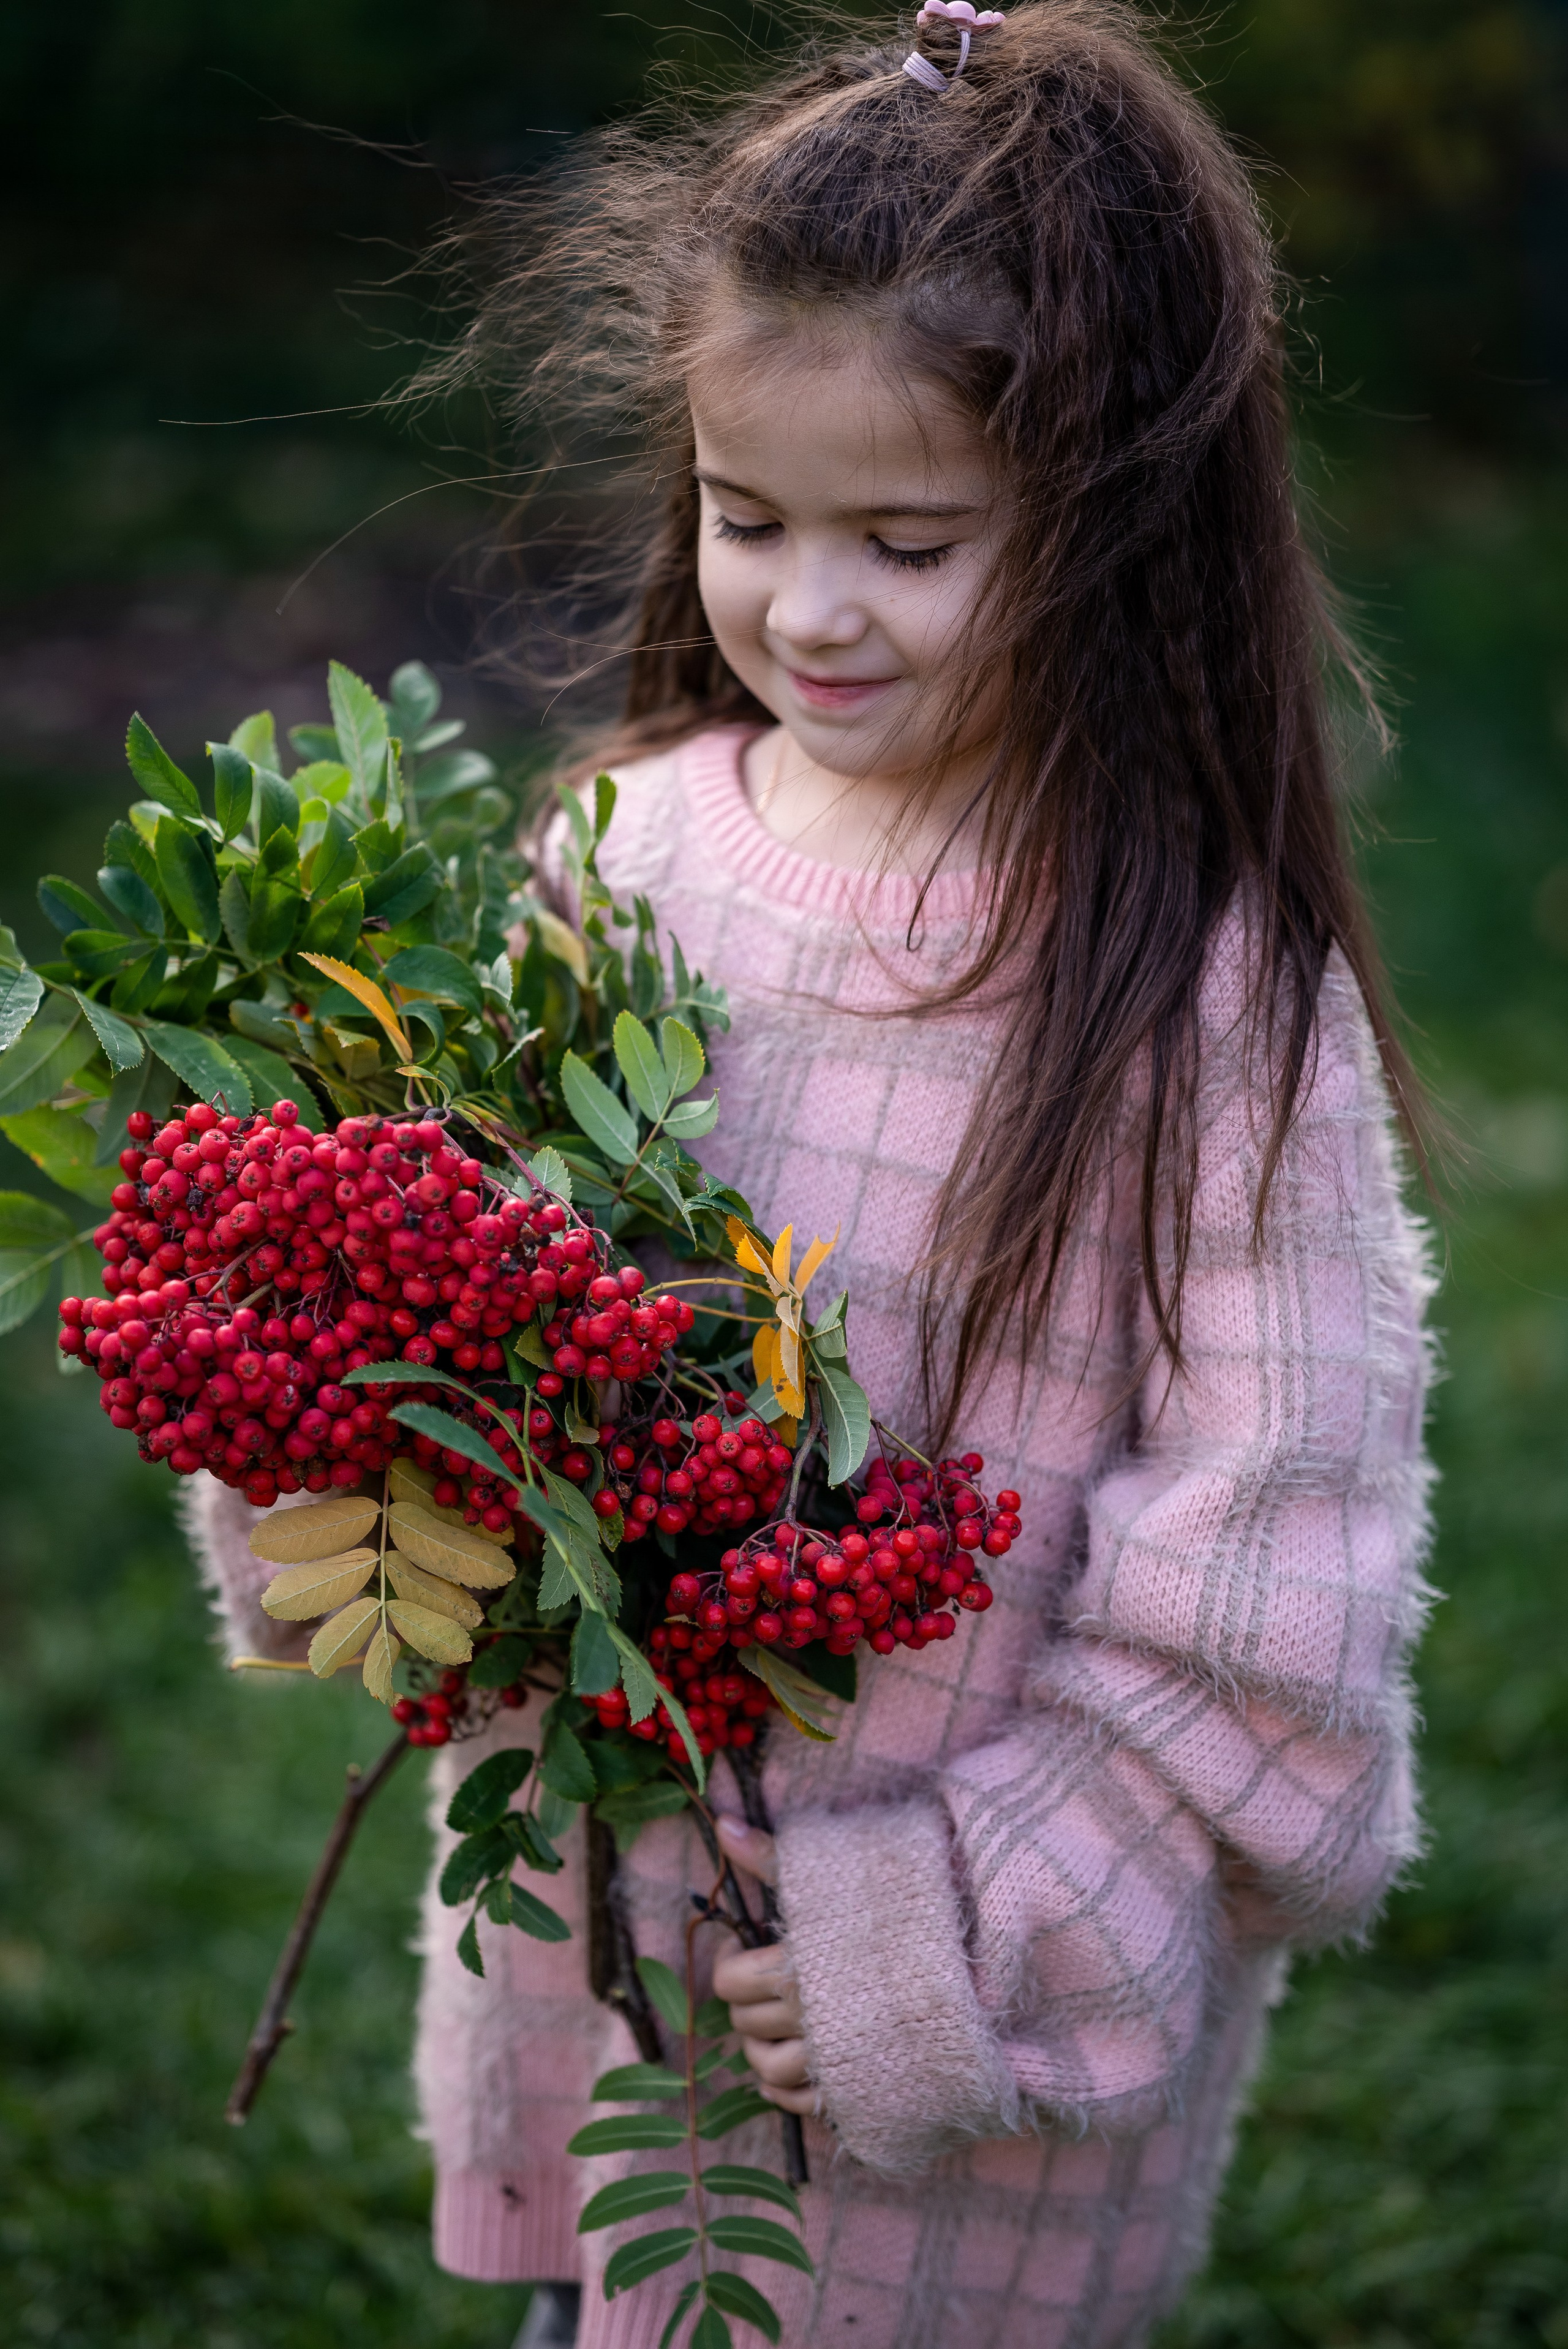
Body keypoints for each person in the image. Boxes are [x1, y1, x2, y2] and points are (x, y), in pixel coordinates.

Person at [191, 4, 1438, 2342]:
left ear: (1112, 519)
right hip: (600, 1973)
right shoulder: (622, 853)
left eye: (911, 538)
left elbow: (1279, 1621)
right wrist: (370, 1489)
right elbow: (454, 1322)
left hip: (947, 2051)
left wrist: (941, 1934)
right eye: (747, 518)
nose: (811, 607)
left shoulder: (1196, 998)